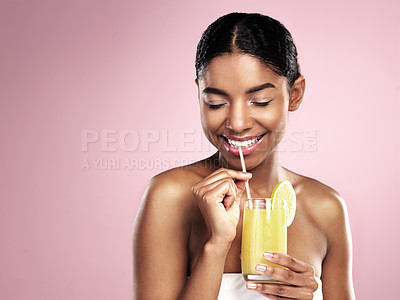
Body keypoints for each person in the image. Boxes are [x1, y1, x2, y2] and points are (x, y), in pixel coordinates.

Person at [133, 12, 355, 299]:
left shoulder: (326, 208)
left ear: (295, 94)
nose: (237, 123)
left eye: (259, 101)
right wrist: (216, 245)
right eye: (216, 103)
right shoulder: (171, 196)